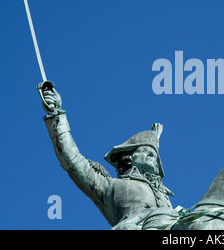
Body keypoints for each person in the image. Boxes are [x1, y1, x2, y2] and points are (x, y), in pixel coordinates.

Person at [40, 84, 178, 230]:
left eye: (154, 155)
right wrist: (56, 114)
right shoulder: (108, 187)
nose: (152, 156)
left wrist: (155, 139)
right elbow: (73, 161)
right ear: (129, 157)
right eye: (145, 151)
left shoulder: (161, 193)